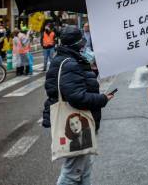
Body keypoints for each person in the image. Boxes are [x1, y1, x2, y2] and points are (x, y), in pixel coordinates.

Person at [42, 25, 113, 185]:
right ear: (76, 44)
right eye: (82, 41)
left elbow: (78, 84)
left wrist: (91, 69)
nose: (84, 44)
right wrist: (102, 99)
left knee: (84, 169)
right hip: (75, 123)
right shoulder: (70, 63)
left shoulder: (69, 59)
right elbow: (76, 97)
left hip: (79, 123)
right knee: (72, 173)